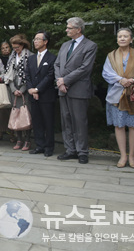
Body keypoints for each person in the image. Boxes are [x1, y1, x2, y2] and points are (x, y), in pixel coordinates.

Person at [54, 17, 98, 164]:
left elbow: (85, 68)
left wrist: (65, 80)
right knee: (65, 120)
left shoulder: (90, 46)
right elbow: (57, 64)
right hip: (63, 89)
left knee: (79, 121)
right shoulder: (65, 45)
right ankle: (70, 150)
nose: (66, 30)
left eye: (69, 28)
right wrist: (60, 81)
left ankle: (82, 151)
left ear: (78, 30)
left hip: (78, 89)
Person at [102, 28, 134, 169]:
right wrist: (121, 80)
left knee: (133, 125)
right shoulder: (111, 55)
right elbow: (106, 73)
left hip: (133, 93)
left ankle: (132, 156)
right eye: (119, 36)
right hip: (117, 93)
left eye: (125, 36)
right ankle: (123, 156)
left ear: (131, 39)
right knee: (119, 125)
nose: (122, 38)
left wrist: (132, 80)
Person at [25, 31, 57, 157]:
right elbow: (27, 75)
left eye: (38, 39)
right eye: (34, 39)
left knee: (48, 122)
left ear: (45, 41)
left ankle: (49, 147)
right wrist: (31, 89)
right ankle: (39, 145)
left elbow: (50, 77)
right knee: (37, 121)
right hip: (33, 95)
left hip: (46, 95)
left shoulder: (52, 58)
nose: (35, 41)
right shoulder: (31, 58)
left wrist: (37, 89)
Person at [6, 34, 34, 151]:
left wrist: (22, 90)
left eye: (17, 47)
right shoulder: (12, 56)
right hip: (14, 87)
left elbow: (30, 76)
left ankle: (27, 140)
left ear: (22, 45)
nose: (15, 50)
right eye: (13, 47)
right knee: (15, 114)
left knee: (25, 114)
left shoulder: (30, 56)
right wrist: (13, 89)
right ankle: (18, 139)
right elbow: (9, 74)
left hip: (25, 89)